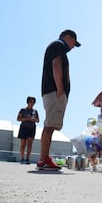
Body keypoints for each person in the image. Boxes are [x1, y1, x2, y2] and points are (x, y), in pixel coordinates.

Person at [37, 29, 81, 170]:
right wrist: (60, 88)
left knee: (50, 125)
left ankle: (44, 158)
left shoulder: (56, 46)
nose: (73, 47)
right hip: (54, 92)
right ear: (68, 37)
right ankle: (43, 159)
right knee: (49, 125)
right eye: (74, 42)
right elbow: (56, 65)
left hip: (52, 91)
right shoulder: (58, 45)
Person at [16, 96, 39, 164]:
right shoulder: (23, 110)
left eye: (33, 102)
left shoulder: (35, 111)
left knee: (29, 144)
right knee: (23, 144)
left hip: (31, 129)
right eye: (31, 102)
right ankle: (22, 158)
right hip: (23, 128)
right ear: (28, 102)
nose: (32, 103)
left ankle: (27, 159)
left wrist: (32, 119)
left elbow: (38, 120)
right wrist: (26, 119)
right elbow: (18, 119)